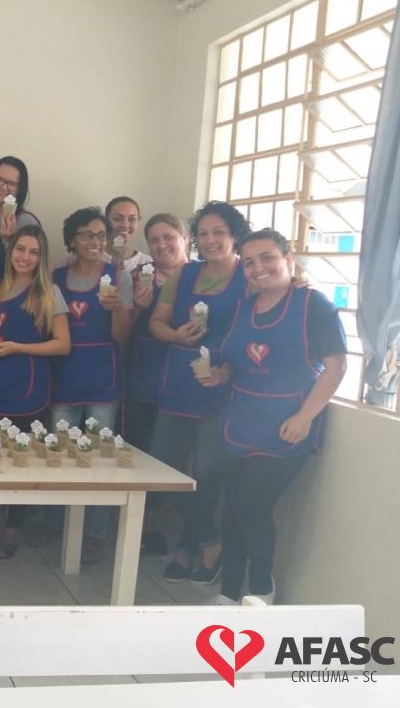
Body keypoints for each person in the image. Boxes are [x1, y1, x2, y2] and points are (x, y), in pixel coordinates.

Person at [197, 229, 346, 604]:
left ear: (287, 259)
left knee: (253, 505)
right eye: (249, 262)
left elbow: (336, 367)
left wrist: (305, 417)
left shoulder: (314, 305)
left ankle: (262, 588)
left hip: (286, 427)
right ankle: (230, 592)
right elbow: (235, 364)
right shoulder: (244, 308)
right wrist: (219, 375)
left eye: (267, 257)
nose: (258, 267)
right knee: (233, 507)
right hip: (240, 422)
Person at [148, 200, 251, 585]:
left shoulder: (248, 275)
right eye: (204, 233)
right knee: (161, 469)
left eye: (218, 232)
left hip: (223, 386)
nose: (210, 240)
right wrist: (175, 334)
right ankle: (210, 541)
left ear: (234, 235)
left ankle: (188, 548)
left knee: (206, 473)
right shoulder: (185, 274)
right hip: (178, 381)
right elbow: (157, 322)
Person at [0, 225, 70, 559]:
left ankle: (11, 533)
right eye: (21, 249)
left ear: (42, 258)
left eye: (34, 252)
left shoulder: (49, 293)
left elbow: (62, 344)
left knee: (20, 464)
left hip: (27, 390)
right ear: (11, 252)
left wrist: (18, 347)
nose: (25, 257)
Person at [50, 208, 134, 563]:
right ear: (72, 239)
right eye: (86, 234)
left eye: (101, 235)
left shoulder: (119, 277)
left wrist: (118, 309)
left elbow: (123, 337)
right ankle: (58, 526)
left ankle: (95, 533)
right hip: (65, 375)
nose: (95, 241)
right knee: (59, 452)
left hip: (103, 377)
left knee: (100, 457)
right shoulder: (56, 277)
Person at [125, 214, 191, 557]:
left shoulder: (201, 277)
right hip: (144, 376)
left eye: (169, 237)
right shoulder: (139, 276)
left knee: (173, 457)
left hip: (186, 379)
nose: (162, 245)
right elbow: (122, 327)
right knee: (141, 451)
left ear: (184, 237)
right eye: (154, 240)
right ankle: (142, 527)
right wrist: (138, 305)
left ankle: (168, 524)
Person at [0, 156, 40, 280]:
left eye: (11, 184)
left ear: (20, 189)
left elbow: (34, 270)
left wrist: (7, 242)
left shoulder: (25, 222)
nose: (3, 187)